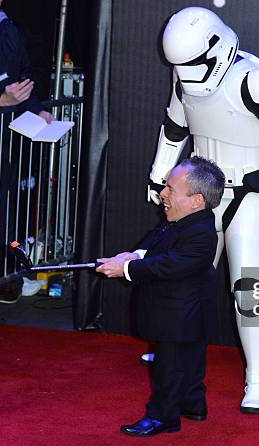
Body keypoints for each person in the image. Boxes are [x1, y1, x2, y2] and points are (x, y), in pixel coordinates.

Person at [144, 7, 259, 413]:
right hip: (200, 198)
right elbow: (174, 129)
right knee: (185, 284)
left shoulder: (256, 80)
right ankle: (176, 358)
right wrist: (158, 178)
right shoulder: (183, 77)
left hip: (247, 194)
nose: (190, 73)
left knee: (249, 289)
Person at [97, 157, 225, 436]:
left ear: (196, 200)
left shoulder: (201, 234)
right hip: (187, 312)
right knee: (189, 363)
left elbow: (170, 264)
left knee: (170, 368)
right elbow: (156, 240)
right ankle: (193, 405)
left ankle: (162, 417)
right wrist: (133, 255)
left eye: (170, 189)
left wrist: (128, 269)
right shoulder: (182, 220)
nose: (162, 194)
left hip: (184, 315)